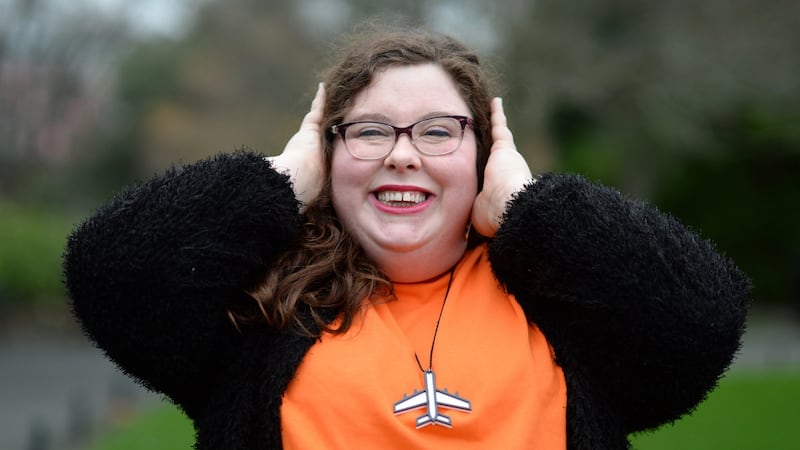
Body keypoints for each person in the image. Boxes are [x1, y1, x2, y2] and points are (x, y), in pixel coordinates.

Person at [63, 25, 750, 450]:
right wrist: (280, 181)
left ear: (483, 151)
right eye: (368, 130)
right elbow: (108, 275)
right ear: (328, 153)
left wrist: (528, 207)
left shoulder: (561, 300)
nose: (402, 154)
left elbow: (704, 318)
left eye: (437, 130)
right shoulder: (265, 311)